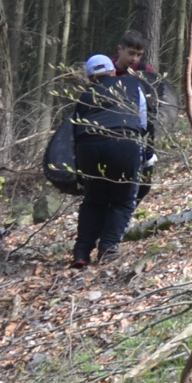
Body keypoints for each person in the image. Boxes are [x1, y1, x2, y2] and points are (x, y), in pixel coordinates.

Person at [59, 54, 156, 268]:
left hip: (88, 147)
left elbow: (74, 132)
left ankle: (81, 252)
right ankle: (107, 250)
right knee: (123, 199)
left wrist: (79, 166)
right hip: (124, 143)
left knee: (93, 200)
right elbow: (144, 121)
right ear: (113, 71)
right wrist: (148, 153)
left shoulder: (84, 95)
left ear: (89, 78)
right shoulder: (132, 84)